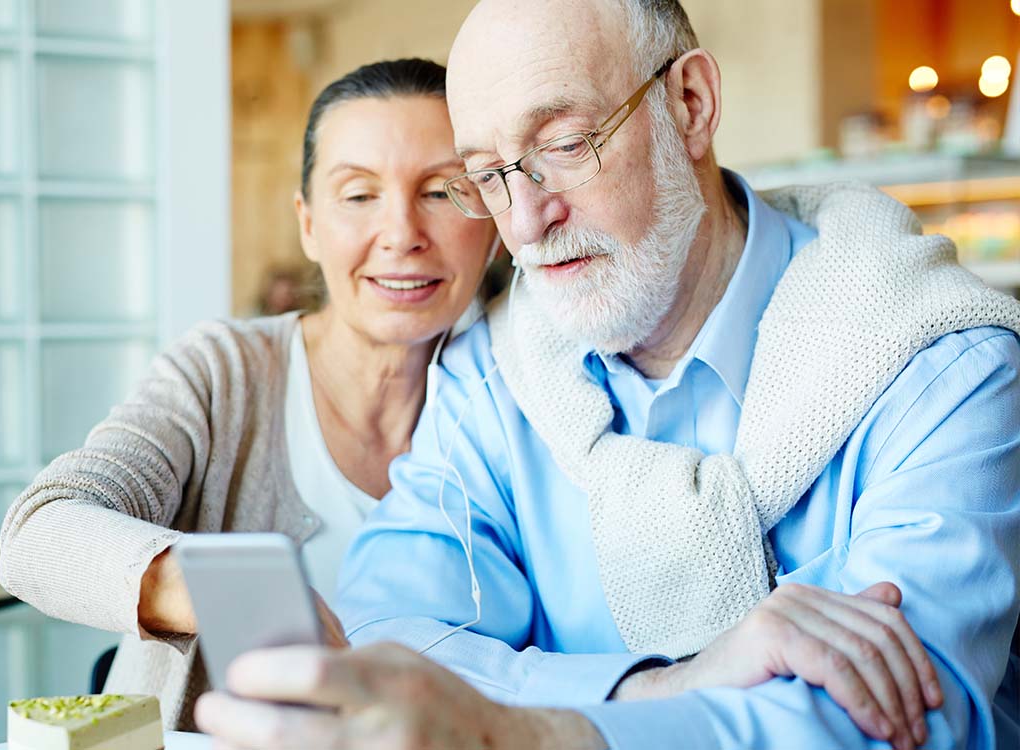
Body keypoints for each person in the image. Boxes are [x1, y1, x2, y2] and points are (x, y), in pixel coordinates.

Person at [192, 2, 1020, 749]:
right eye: (487, 174)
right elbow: (391, 626)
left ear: (690, 104)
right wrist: (662, 684)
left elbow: (904, 722)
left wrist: (526, 734)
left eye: (563, 145)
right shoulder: (492, 373)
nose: (525, 221)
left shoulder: (940, 362)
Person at [0, 58, 499, 729]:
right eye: (358, 195)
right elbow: (39, 533)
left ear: (493, 219)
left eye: (441, 191)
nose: (402, 233)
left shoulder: (516, 398)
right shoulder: (223, 375)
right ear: (309, 225)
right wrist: (218, 589)